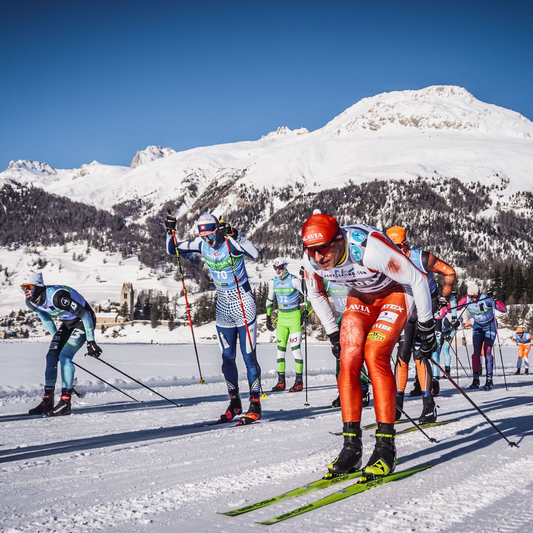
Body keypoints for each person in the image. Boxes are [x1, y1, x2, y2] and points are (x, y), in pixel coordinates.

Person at [302, 213, 435, 479]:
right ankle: (351, 447)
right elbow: (315, 293)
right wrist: (331, 333)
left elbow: (418, 279)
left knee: (375, 353)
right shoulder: (311, 260)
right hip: (361, 298)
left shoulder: (369, 249)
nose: (319, 257)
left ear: (339, 239)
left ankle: (385, 447)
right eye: (312, 251)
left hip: (397, 292)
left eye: (324, 248)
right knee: (348, 358)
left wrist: (426, 326)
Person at [165, 212, 262, 424]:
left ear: (217, 230)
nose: (208, 240)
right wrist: (170, 231)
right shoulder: (200, 244)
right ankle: (234, 402)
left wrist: (236, 234)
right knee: (227, 358)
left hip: (243, 301)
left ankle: (255, 404)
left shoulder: (230, 242)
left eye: (210, 235)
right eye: (204, 236)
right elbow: (172, 249)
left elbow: (255, 253)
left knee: (248, 356)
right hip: (224, 304)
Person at [385, 226, 456, 422]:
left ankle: (428, 405)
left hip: (427, 304)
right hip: (405, 305)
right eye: (389, 246)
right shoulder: (387, 259)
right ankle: (397, 405)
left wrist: (444, 297)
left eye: (396, 246)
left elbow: (449, 271)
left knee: (420, 354)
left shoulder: (422, 258)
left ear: (405, 244)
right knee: (402, 354)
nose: (393, 250)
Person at [21, 269, 101, 416]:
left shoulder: (57, 297)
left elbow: (85, 314)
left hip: (83, 322)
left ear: (38, 286)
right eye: (23, 287)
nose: (26, 290)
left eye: (29, 287)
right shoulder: (30, 302)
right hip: (67, 323)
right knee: (52, 356)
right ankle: (48, 401)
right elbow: (45, 318)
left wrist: (91, 342)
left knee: (64, 357)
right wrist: (56, 340)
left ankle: (65, 403)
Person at [322, 279, 371, 409]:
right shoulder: (327, 279)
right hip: (341, 318)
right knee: (340, 356)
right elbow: (316, 293)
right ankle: (343, 392)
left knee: (357, 354)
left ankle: (363, 388)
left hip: (359, 316)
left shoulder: (351, 273)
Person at [265, 258, 305, 392]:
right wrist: (268, 317)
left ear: (285, 266)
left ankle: (299, 382)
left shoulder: (294, 280)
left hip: (294, 317)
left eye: (280, 267)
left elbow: (309, 295)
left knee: (296, 350)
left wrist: (305, 313)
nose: (278, 270)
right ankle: (281, 382)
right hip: (281, 318)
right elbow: (270, 299)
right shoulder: (273, 282)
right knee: (280, 352)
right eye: (275, 268)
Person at [458, 284, 507, 390]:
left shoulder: (486, 299)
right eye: (470, 296)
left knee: (487, 351)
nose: (473, 299)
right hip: (478, 326)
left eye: (475, 296)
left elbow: (504, 310)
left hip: (490, 325)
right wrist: (448, 302)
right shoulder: (465, 300)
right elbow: (452, 309)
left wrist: (496, 300)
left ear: (479, 294)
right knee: (476, 353)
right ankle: (475, 379)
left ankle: (489, 380)